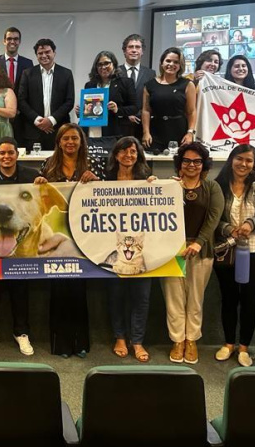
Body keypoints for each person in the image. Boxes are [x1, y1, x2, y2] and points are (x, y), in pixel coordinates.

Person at [34, 124, 100, 358]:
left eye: (74, 138)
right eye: (65, 139)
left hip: (84, 236)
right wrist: (39, 185)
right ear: (59, 142)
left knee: (79, 291)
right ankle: (60, 344)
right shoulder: (48, 166)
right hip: (57, 235)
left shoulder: (93, 164)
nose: (70, 142)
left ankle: (80, 342)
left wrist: (97, 181)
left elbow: (107, 195)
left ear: (81, 141)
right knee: (59, 289)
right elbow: (39, 199)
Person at [213, 144, 255, 367]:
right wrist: (228, 229)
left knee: (250, 300)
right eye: (240, 159)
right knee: (228, 299)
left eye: (249, 160)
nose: (243, 164)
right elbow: (212, 220)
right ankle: (229, 343)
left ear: (254, 164)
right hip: (226, 250)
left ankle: (244, 347)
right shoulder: (217, 186)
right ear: (231, 160)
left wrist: (252, 223)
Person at [0, 137, 38, 356]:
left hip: (22, 250)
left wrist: (43, 185)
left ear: (17, 155)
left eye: (10, 153)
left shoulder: (32, 177)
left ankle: (21, 333)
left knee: (20, 293)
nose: (6, 157)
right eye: (2, 153)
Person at [163, 142, 224, 364]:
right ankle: (177, 340)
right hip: (172, 253)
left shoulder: (212, 188)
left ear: (203, 164)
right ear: (180, 163)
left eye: (197, 161)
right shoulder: (169, 186)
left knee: (195, 299)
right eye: (187, 160)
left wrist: (198, 242)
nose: (191, 165)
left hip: (201, 251)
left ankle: (191, 340)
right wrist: (153, 185)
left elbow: (213, 219)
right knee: (174, 298)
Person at [102, 137, 155, 363]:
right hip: (114, 247)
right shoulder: (106, 180)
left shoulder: (147, 179)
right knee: (116, 295)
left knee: (141, 297)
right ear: (115, 155)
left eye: (133, 151)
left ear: (138, 154)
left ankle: (137, 341)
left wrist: (158, 187)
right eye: (123, 151)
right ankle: (120, 337)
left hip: (142, 249)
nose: (128, 155)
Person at [18, 38, 75, 152]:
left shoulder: (66, 73)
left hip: (58, 130)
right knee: (33, 167)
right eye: (40, 53)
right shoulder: (27, 73)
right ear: (36, 55)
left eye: (47, 52)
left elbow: (69, 101)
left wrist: (51, 120)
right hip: (33, 131)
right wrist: (38, 120)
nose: (44, 55)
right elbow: (21, 100)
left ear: (54, 52)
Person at [142, 47, 197, 154]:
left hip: (179, 132)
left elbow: (191, 111)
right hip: (155, 133)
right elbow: (146, 111)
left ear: (180, 65)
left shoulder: (187, 84)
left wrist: (190, 133)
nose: (171, 64)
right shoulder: (150, 85)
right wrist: (146, 132)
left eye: (176, 62)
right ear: (162, 63)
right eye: (168, 61)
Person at [75, 50, 137, 139]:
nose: (103, 67)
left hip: (115, 131)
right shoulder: (90, 85)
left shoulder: (126, 82)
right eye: (99, 64)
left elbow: (134, 107)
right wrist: (80, 112)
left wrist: (117, 110)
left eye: (106, 63)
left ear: (114, 64)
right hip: (92, 131)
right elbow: (88, 110)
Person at [0, 27, 34, 145]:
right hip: (0, 114)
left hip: (22, 115)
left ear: (19, 41)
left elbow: (29, 90)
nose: (12, 42)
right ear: (4, 41)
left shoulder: (28, 63)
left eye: (16, 39)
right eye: (9, 39)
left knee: (19, 147)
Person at [116, 34, 156, 140]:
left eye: (137, 47)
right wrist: (126, 114)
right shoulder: (115, 73)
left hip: (143, 126)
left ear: (142, 52)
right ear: (124, 51)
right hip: (120, 125)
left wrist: (139, 115)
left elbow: (151, 100)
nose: (134, 50)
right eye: (130, 47)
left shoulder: (151, 74)